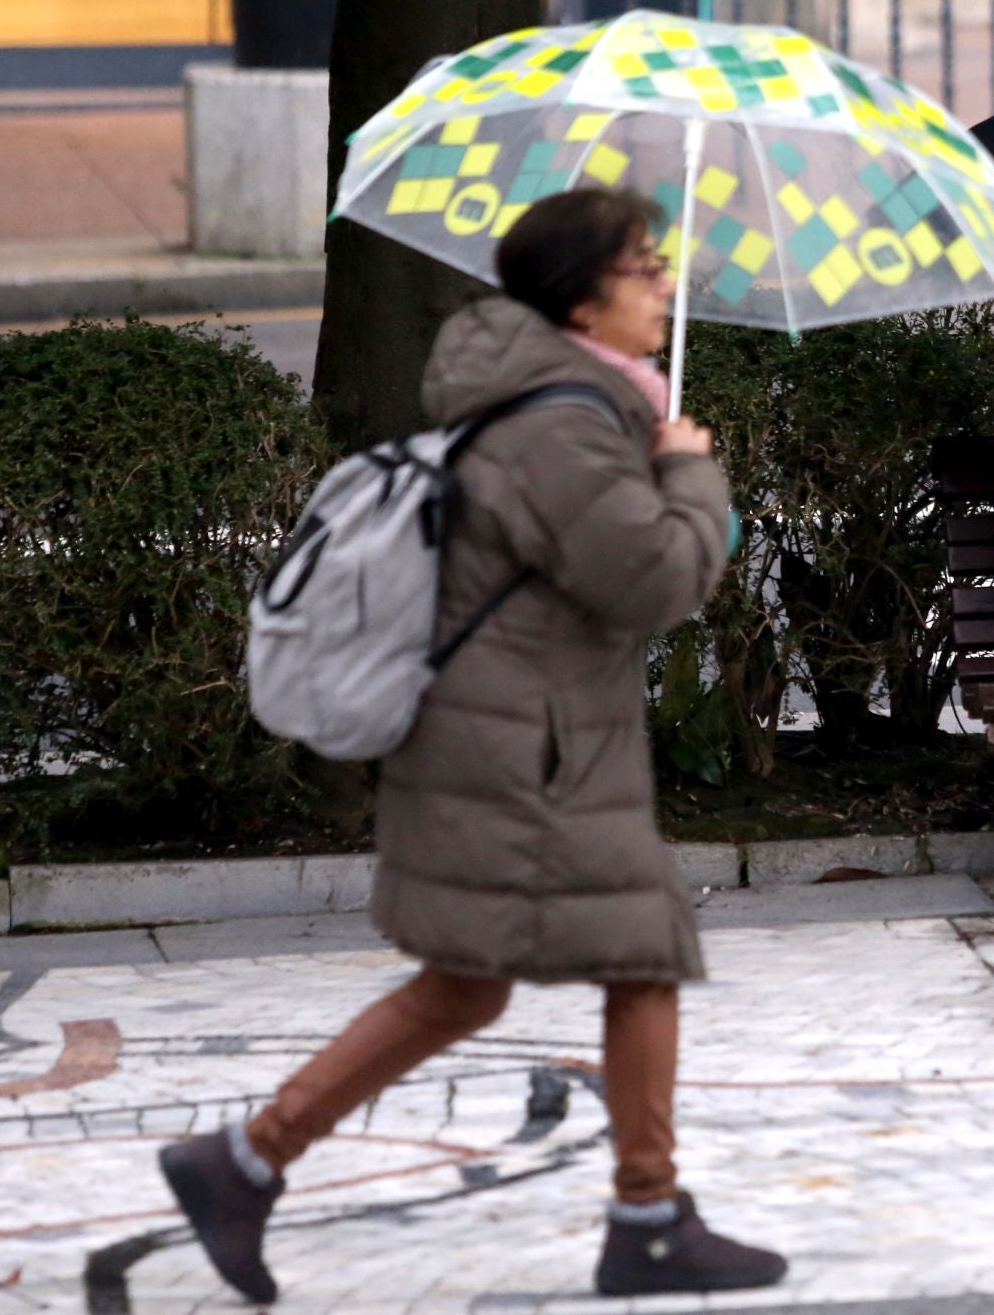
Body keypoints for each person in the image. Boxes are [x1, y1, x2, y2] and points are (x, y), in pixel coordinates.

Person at [157, 189, 787, 1301]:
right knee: (642, 956)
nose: (665, 286)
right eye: (647, 266)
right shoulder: (560, 421)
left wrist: (664, 472)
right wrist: (691, 472)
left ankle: (244, 1160)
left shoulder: (568, 402)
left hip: (509, 742)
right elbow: (653, 580)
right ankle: (646, 1218)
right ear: (586, 299)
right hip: (527, 756)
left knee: (465, 987)